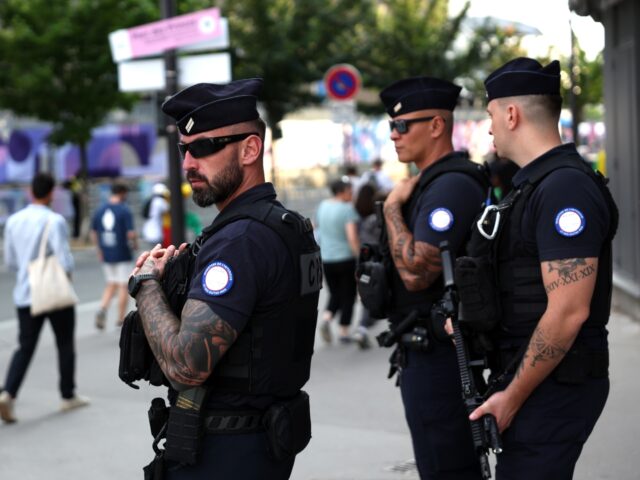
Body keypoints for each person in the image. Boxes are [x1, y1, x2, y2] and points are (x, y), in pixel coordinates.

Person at [129, 78, 321, 479]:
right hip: (257, 445)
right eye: (184, 149)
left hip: (225, 452)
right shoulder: (281, 225)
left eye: (204, 147)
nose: (188, 163)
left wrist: (146, 283)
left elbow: (187, 365)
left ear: (250, 149)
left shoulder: (241, 239)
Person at [465, 57, 618, 479]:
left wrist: (512, 396)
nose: (489, 125)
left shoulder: (563, 187)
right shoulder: (535, 184)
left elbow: (569, 310)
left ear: (511, 114)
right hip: (537, 378)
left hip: (553, 385)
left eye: (491, 114)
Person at [377, 76, 492, 479]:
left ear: (438, 125)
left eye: (403, 125)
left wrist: (391, 208)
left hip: (442, 356)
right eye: (391, 126)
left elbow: (415, 273)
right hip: (425, 352)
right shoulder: (430, 184)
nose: (394, 134)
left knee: (448, 468)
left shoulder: (451, 186)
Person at [0, 173, 89, 424]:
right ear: (51, 193)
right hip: (52, 291)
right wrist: (66, 280)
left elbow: (11, 261)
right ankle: (67, 395)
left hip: (24, 294)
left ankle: (9, 393)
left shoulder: (14, 221)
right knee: (64, 343)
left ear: (31, 192)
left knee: (25, 347)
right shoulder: (54, 220)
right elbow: (63, 259)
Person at [315, 177, 360, 344]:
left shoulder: (323, 206)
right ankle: (343, 331)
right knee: (348, 295)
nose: (352, 194)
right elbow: (352, 237)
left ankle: (326, 319)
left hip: (327, 259)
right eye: (350, 191)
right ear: (341, 192)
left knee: (335, 293)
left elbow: (315, 227)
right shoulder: (347, 209)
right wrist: (359, 257)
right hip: (346, 258)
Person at [90, 181, 137, 329]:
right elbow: (130, 233)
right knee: (123, 285)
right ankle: (120, 318)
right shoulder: (124, 210)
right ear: (123, 193)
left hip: (106, 252)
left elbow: (93, 232)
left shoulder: (100, 210)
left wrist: (99, 249)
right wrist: (135, 244)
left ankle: (102, 308)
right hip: (122, 252)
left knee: (111, 283)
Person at [141, 182, 170, 248]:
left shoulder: (151, 200)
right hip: (156, 232)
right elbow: (168, 209)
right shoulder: (159, 201)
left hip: (148, 230)